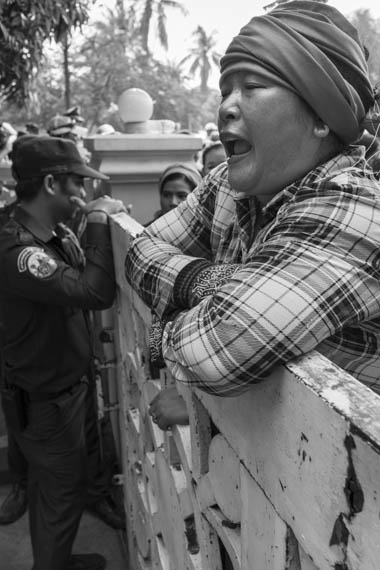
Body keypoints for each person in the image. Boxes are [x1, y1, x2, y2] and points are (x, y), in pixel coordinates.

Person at [124, 1, 380, 431]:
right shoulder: (228, 183)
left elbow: (213, 354)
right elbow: (139, 250)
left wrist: (165, 323)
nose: (226, 107)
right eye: (226, 90)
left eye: (253, 87)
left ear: (321, 117)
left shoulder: (352, 211)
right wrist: (204, 281)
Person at [0, 135, 126, 570]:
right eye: (77, 184)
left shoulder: (46, 231)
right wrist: (97, 219)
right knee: (62, 494)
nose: (84, 193)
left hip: (57, 391)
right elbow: (93, 291)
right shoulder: (18, 251)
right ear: (52, 183)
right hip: (47, 402)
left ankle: (53, 561)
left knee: (50, 492)